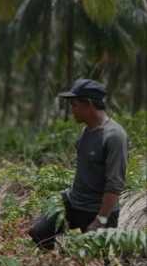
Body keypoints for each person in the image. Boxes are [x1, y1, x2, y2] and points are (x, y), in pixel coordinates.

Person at [28, 79, 129, 249]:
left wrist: (101, 220)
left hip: (98, 211)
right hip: (74, 202)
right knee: (39, 232)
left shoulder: (114, 137)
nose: (72, 110)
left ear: (88, 105)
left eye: (74, 105)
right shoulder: (86, 129)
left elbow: (114, 185)